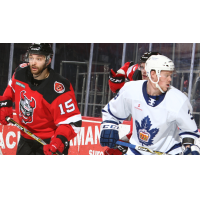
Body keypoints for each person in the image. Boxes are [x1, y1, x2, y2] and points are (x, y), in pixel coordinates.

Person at [100, 55, 200, 155]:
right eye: (166, 75)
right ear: (153, 74)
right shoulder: (131, 90)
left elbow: (190, 131)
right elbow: (112, 113)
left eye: (170, 75)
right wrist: (109, 126)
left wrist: (190, 147)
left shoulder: (178, 99)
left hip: (167, 154)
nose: (170, 79)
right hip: (135, 152)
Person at [0, 43, 82, 155]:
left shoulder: (58, 88)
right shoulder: (21, 72)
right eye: (31, 57)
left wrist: (58, 140)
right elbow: (11, 88)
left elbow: (72, 122)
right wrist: (6, 104)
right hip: (25, 138)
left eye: (39, 58)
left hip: (49, 143)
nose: (33, 62)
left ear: (48, 60)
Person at [105, 52, 160, 155]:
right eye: (142, 67)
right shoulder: (135, 71)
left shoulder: (163, 92)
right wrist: (118, 77)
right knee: (111, 152)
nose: (144, 71)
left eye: (148, 67)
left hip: (151, 138)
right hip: (137, 133)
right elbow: (117, 84)